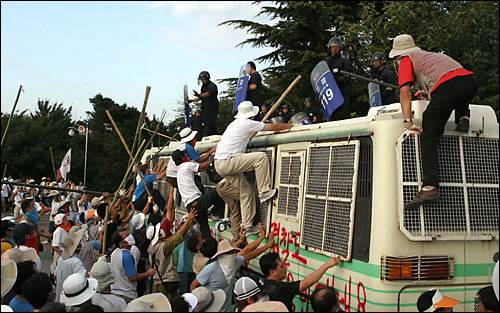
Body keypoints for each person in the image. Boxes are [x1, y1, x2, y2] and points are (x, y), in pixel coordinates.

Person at [388, 34, 478, 209]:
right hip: (469, 83)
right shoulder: (431, 56)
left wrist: (408, 121)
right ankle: (463, 117)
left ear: (398, 56)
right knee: (456, 94)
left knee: (429, 129)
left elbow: (405, 91)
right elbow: (453, 78)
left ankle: (429, 186)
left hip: (448, 88)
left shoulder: (406, 59)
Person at [214, 101, 292, 235]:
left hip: (219, 164)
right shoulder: (247, 123)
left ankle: (248, 226)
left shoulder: (233, 124)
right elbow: (273, 127)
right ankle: (264, 191)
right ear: (251, 114)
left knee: (247, 192)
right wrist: (290, 125)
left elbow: (243, 140)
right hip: (228, 161)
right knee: (260, 158)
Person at [190, 224, 275, 312]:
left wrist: (267, 245)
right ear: (221, 255)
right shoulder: (211, 268)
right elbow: (193, 285)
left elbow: (249, 254)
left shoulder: (234, 262)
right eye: (229, 252)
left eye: (233, 251)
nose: (232, 254)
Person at [172, 149, 225, 240]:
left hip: (190, 206)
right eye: (185, 156)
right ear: (182, 158)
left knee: (204, 227)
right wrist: (215, 161)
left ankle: (208, 245)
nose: (187, 157)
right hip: (196, 202)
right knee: (220, 189)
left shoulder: (179, 171)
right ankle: (216, 214)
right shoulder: (186, 165)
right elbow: (202, 167)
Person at [260, 252, 341, 312]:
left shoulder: (261, 285)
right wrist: (327, 265)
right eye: (282, 266)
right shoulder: (281, 289)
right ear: (272, 272)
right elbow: (307, 282)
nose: (286, 267)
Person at [148, 209, 197, 301]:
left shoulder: (152, 246)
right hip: (166, 284)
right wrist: (189, 220)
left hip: (157, 282)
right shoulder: (164, 247)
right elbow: (180, 234)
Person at [110, 227, 156, 303]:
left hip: (116, 292)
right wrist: (148, 273)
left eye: (128, 234)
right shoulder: (127, 256)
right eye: (126, 235)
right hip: (127, 294)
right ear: (122, 243)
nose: (130, 236)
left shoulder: (115, 253)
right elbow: (132, 277)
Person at [324, 37, 355, 121]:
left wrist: (334, 80)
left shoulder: (345, 61)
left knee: (343, 116)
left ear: (340, 48)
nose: (334, 49)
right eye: (333, 47)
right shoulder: (326, 62)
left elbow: (346, 78)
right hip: (330, 95)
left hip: (342, 94)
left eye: (337, 47)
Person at [54, 226, 87, 303]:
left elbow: (55, 276)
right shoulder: (76, 262)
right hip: (71, 300)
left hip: (60, 298)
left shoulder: (61, 259)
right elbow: (81, 280)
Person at [188, 71, 220, 137]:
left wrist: (199, 95)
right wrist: (191, 101)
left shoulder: (212, 86)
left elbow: (208, 94)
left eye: (203, 79)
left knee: (209, 125)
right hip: (205, 109)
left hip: (212, 109)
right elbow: (201, 97)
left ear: (206, 78)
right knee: (201, 122)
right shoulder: (203, 87)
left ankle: (207, 136)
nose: (202, 81)